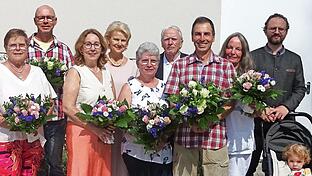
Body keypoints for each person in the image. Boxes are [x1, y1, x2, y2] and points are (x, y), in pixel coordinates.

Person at [164, 16, 236, 176]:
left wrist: (209, 120)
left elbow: (232, 101)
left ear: (213, 37)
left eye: (206, 34)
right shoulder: (180, 65)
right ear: (191, 37)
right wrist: (190, 121)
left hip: (214, 141)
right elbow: (171, 100)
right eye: (198, 34)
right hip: (185, 141)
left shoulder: (225, 66)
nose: (202, 38)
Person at [246, 13, 306, 175]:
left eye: (281, 28)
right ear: (265, 30)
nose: (277, 31)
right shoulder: (252, 56)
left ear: (286, 31)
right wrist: (260, 108)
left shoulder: (295, 59)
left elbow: (300, 88)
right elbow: (246, 88)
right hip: (257, 124)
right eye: (273, 28)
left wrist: (286, 107)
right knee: (250, 166)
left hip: (284, 125)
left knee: (284, 169)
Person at [0, 28, 56, 175]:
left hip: (33, 139)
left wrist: (39, 121)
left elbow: (50, 101)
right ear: (5, 48)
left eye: (22, 45)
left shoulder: (37, 72)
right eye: (13, 45)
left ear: (27, 47)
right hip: (5, 140)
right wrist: (14, 124)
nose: (17, 48)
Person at [28, 5, 74, 176]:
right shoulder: (25, 47)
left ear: (55, 21)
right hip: (31, 118)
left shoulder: (64, 50)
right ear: (35, 21)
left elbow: (72, 81)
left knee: (55, 164)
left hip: (56, 116)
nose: (45, 21)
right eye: (41, 18)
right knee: (34, 163)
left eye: (49, 18)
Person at [63, 29, 115, 176]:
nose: (92, 48)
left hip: (103, 134)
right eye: (88, 44)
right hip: (82, 132)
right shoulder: (76, 71)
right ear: (81, 47)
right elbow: (67, 107)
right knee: (82, 171)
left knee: (101, 171)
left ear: (102, 48)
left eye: (96, 44)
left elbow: (113, 104)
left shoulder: (106, 72)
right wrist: (94, 129)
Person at [118, 42, 172, 176]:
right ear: (137, 63)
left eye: (153, 61)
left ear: (158, 63)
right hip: (136, 152)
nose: (149, 64)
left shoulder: (166, 87)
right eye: (144, 61)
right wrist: (143, 136)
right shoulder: (129, 87)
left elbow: (173, 117)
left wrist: (163, 137)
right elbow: (121, 119)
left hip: (162, 152)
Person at [104, 21, 137, 176]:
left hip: (125, 126)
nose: (119, 43)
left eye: (123, 40)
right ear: (108, 40)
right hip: (104, 124)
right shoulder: (100, 63)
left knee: (122, 164)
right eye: (116, 39)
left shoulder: (133, 66)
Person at [219, 32, 255, 175]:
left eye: (238, 49)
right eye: (229, 47)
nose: (232, 52)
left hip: (240, 139)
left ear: (243, 52)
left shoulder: (251, 78)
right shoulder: (215, 72)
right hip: (217, 139)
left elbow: (255, 110)